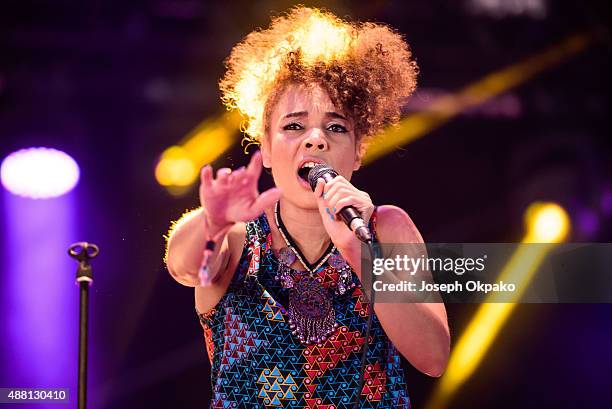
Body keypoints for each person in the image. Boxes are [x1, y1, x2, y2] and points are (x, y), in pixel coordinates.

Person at [165, 6, 450, 408]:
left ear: (358, 151)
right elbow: (184, 266)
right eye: (294, 126)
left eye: (336, 127)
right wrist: (212, 222)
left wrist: (356, 250)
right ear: (264, 147)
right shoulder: (237, 235)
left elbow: (433, 356)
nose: (315, 140)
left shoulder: (384, 229)